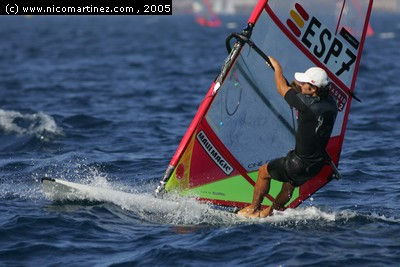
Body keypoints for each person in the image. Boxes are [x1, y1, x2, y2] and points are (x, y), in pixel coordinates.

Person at [238, 56, 338, 218]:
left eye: (304, 83)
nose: (300, 84)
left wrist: (277, 68)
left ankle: (253, 208)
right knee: (289, 185)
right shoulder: (331, 103)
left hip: (297, 163)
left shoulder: (306, 103)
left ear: (313, 90)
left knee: (264, 171)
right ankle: (269, 214)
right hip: (315, 166)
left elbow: (282, 89)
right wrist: (292, 85)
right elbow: (296, 91)